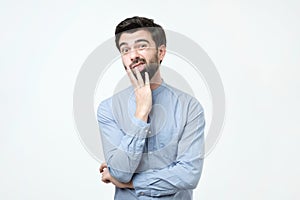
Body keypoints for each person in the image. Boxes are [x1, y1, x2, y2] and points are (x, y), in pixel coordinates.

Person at [97, 16, 205, 199]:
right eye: (125, 50)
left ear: (161, 52)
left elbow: (189, 175)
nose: (133, 55)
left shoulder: (189, 108)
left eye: (142, 46)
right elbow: (119, 172)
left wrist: (129, 183)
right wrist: (141, 112)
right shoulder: (108, 109)